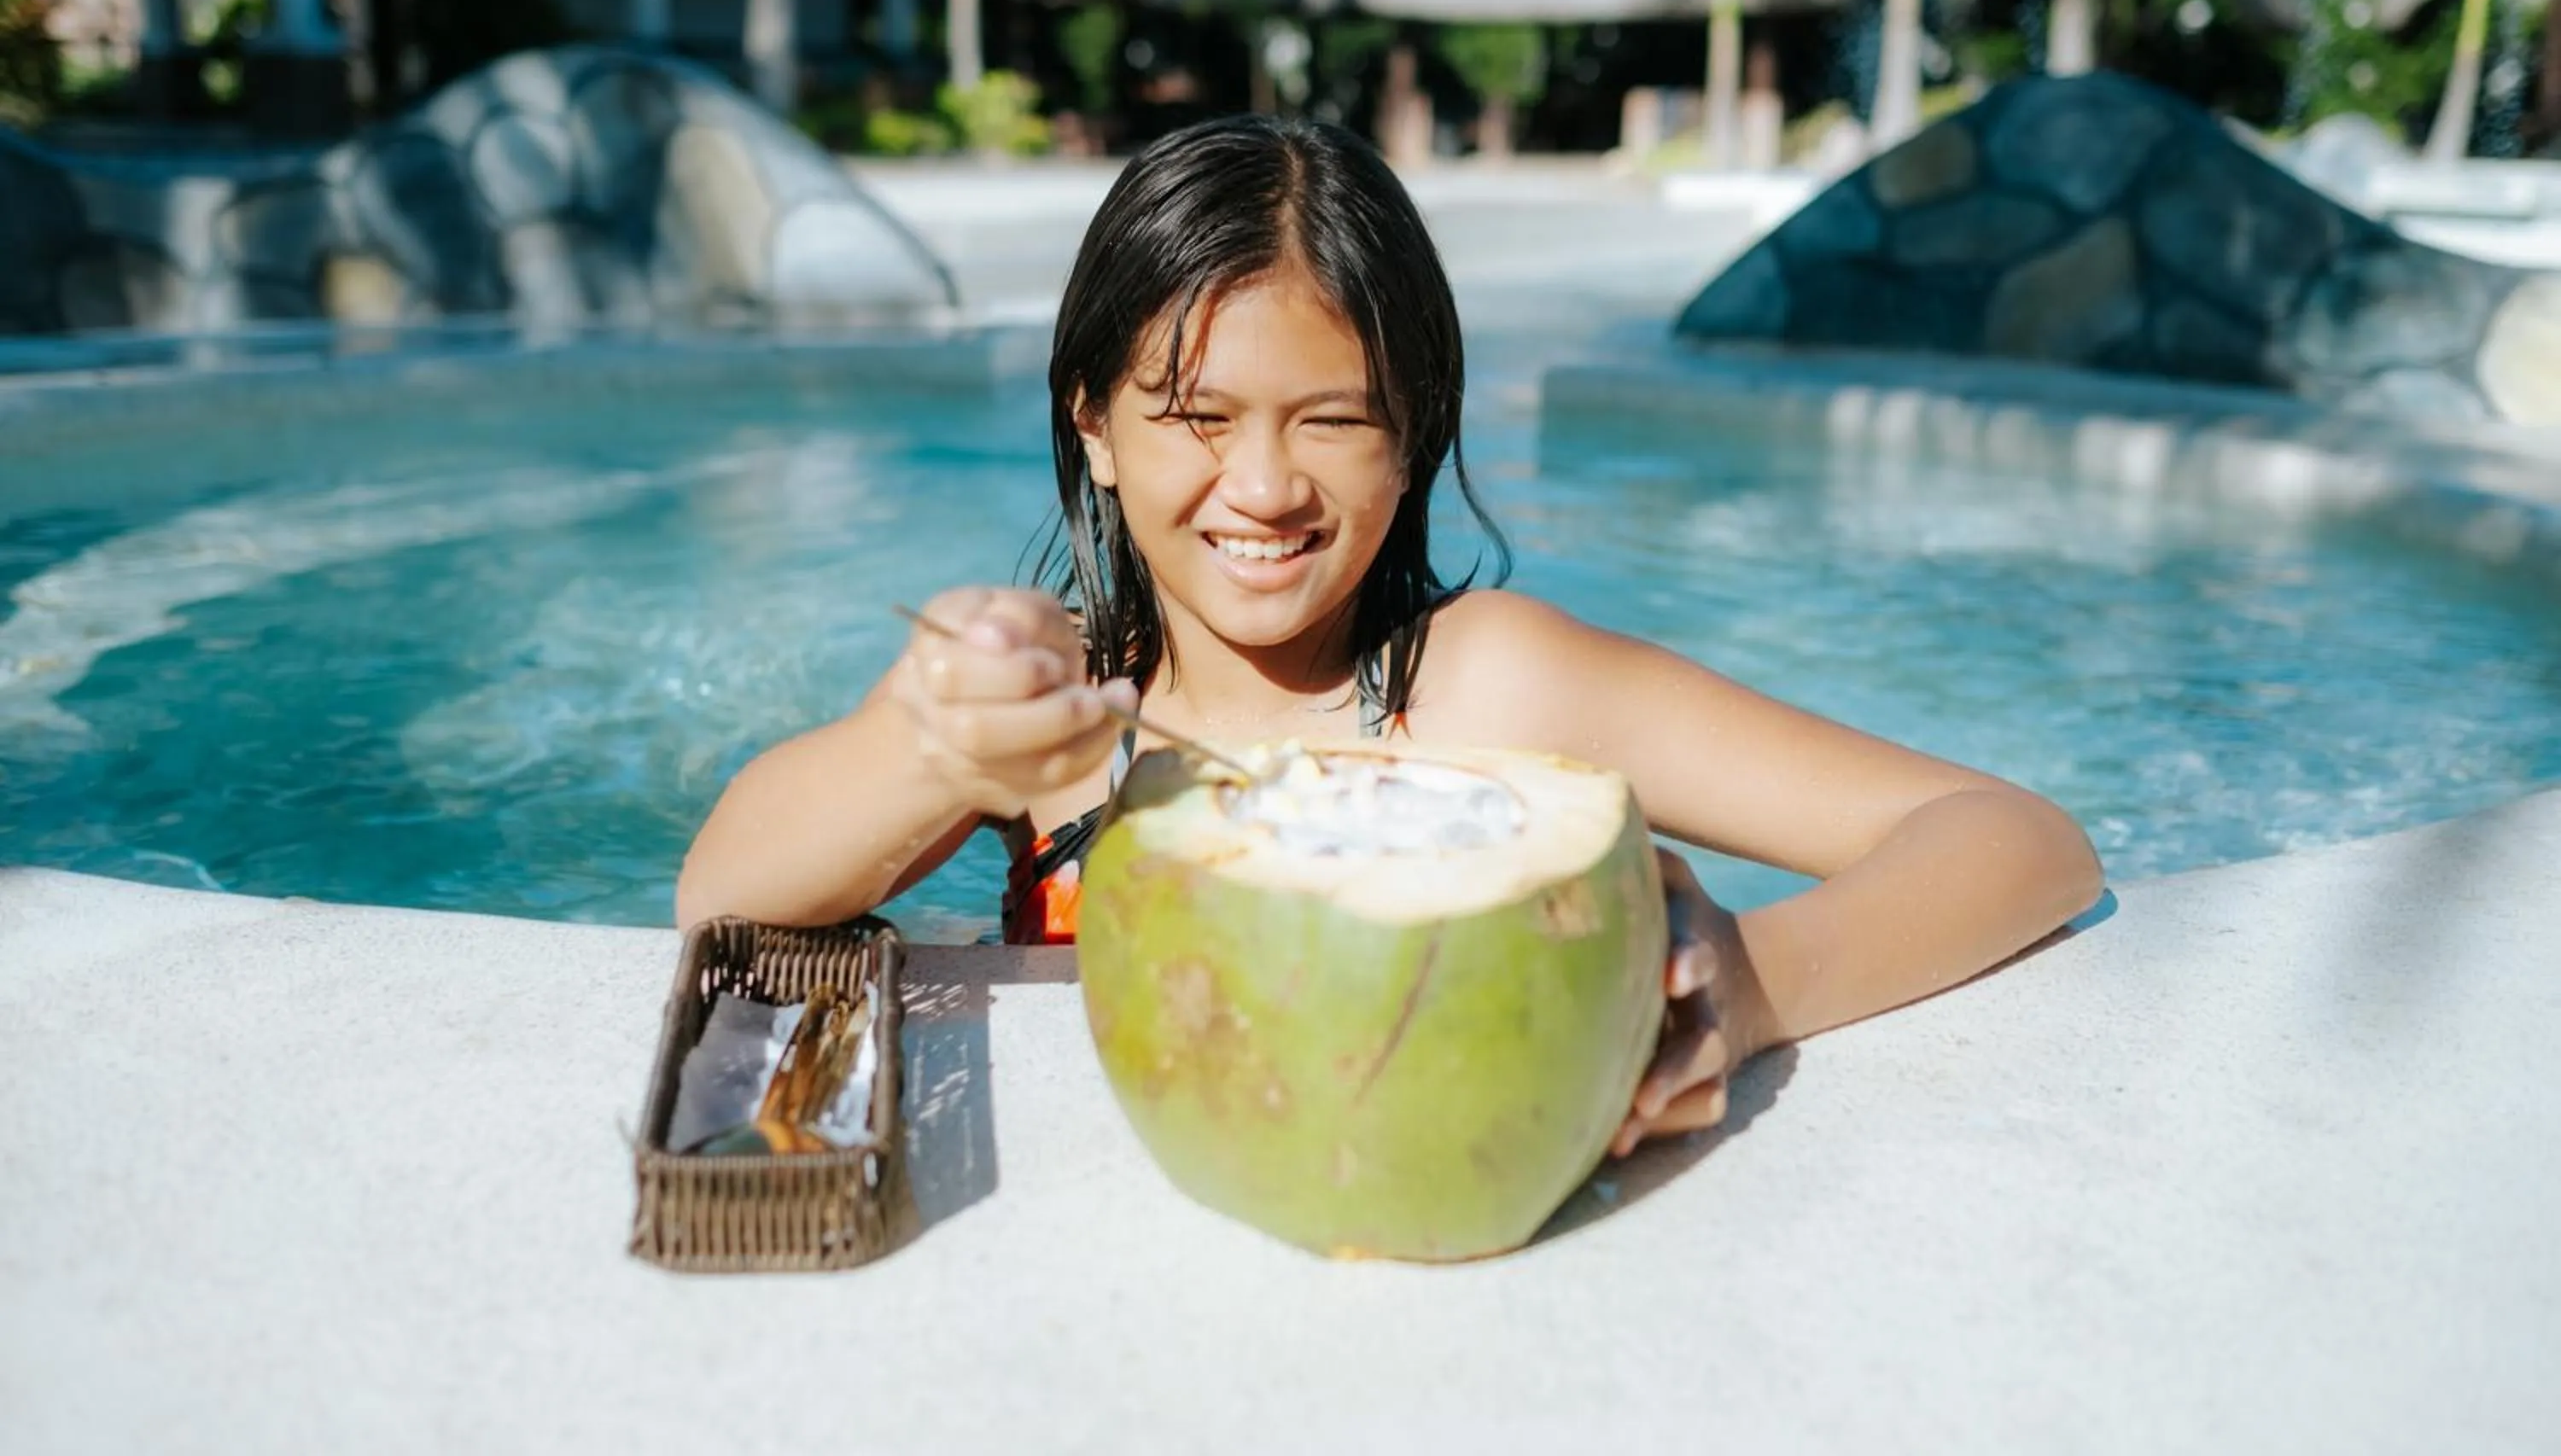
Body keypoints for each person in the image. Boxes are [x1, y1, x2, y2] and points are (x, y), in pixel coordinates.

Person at [677, 115, 2103, 1159]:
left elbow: (2020, 839)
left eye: (1334, 420)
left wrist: (1753, 982)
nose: (1263, 487)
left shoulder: (1483, 688)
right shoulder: (1060, 715)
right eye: (1196, 417)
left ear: (1413, 435)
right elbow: (724, 904)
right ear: (1092, 425)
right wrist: (926, 743)